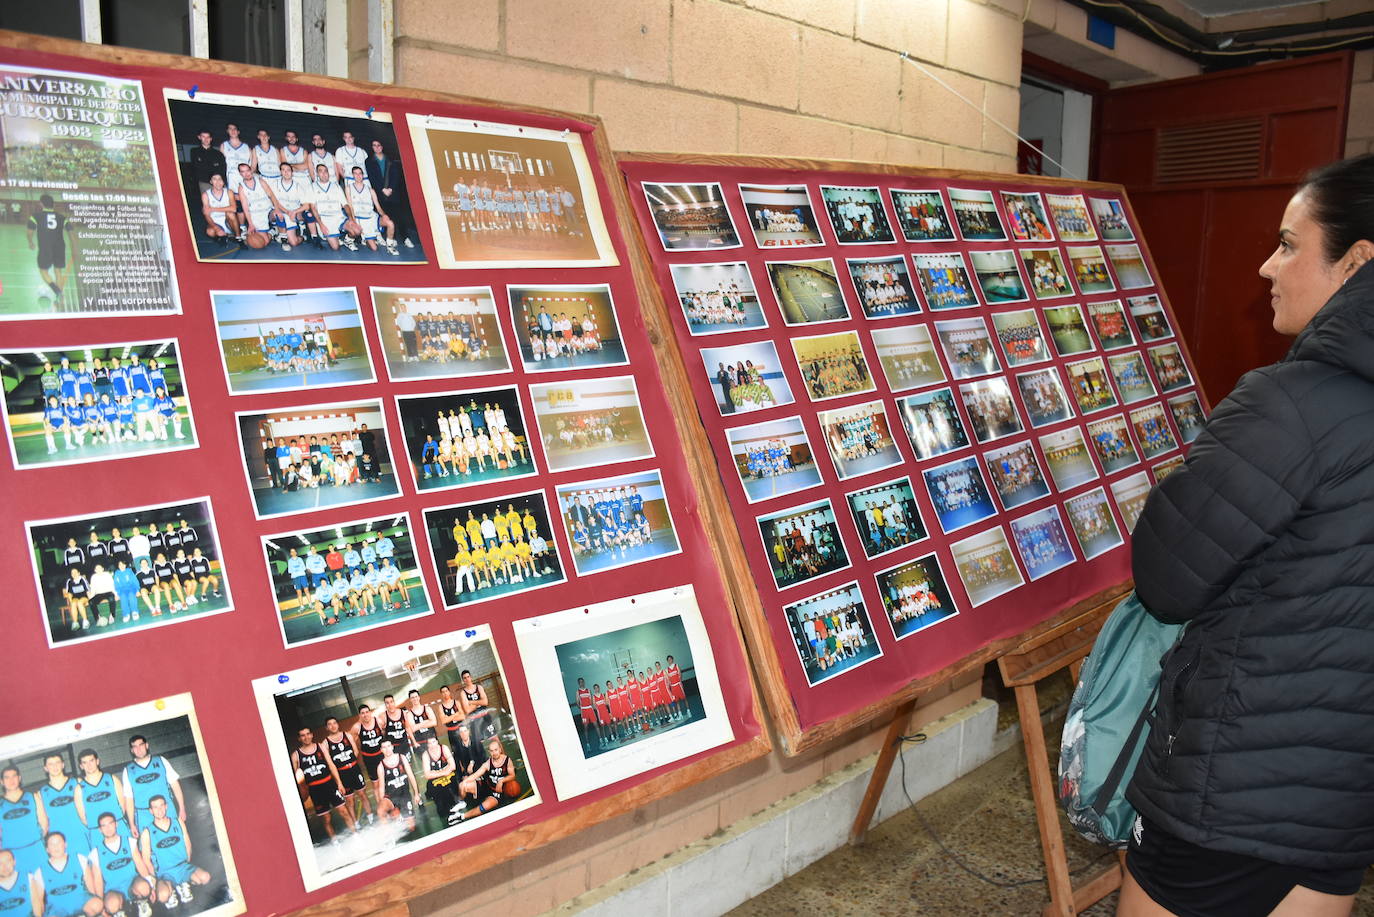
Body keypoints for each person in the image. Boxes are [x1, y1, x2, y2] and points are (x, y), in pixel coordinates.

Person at [1120, 155, 1374, 917]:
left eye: (1290, 244)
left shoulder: (1290, 404)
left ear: (1358, 261)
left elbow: (1165, 575)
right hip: (1343, 788)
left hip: (1232, 784)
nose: (1268, 265)